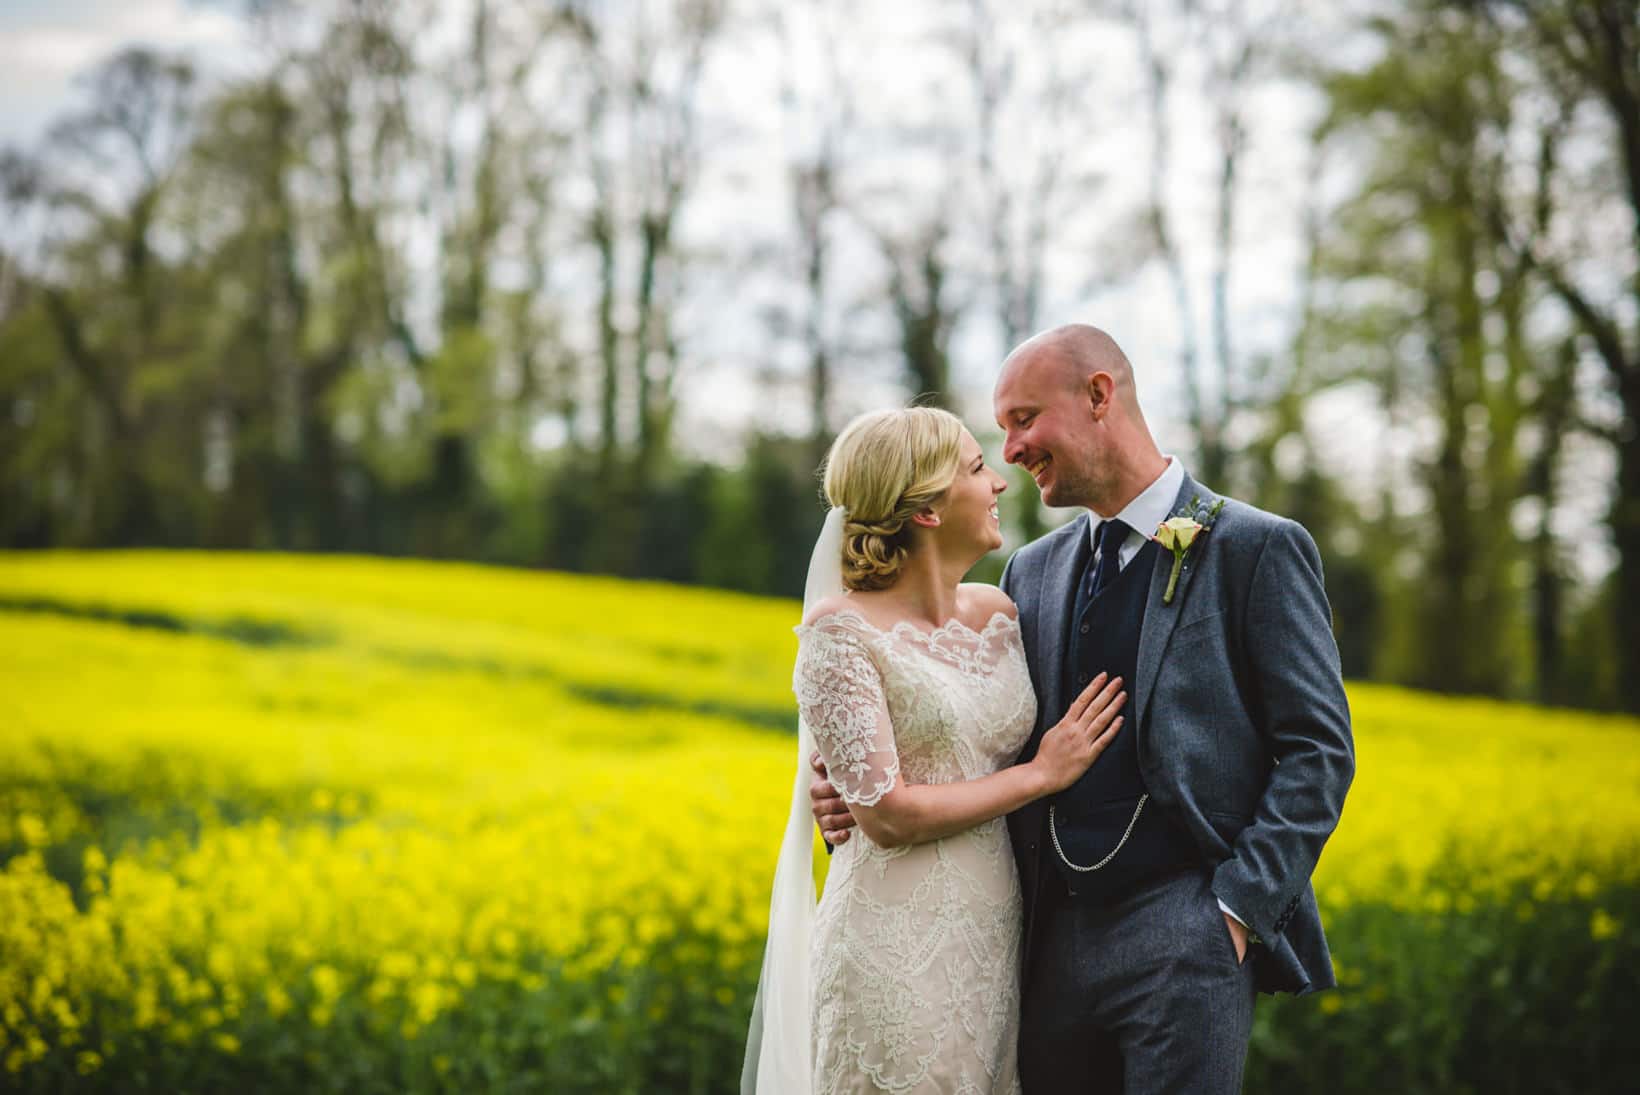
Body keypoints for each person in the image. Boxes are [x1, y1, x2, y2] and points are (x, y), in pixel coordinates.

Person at [809, 326, 1355, 1094]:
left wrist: (1233, 912)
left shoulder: (1254, 548)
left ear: (1099, 396)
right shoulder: (1029, 573)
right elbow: (965, 723)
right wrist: (848, 791)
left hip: (1188, 940)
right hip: (1036, 945)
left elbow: (1319, 751)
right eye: (999, 431)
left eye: (1024, 419)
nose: (1011, 450)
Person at [742, 405, 1131, 1095]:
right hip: (891, 945)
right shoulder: (841, 631)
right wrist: (1040, 773)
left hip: (994, 944)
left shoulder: (1002, 614)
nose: (1000, 483)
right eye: (978, 468)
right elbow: (887, 816)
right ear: (925, 508)